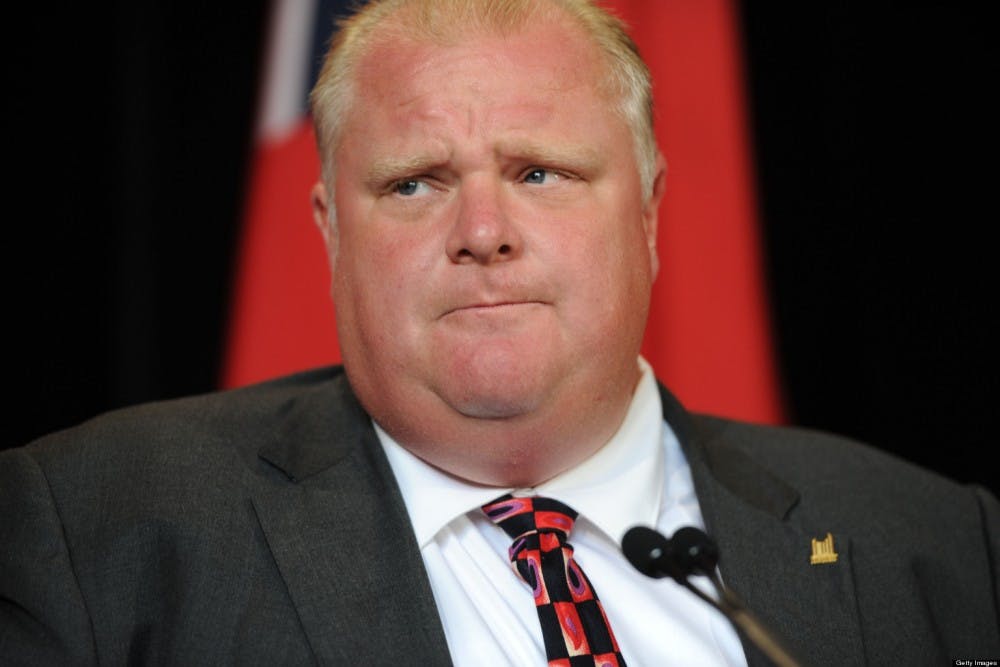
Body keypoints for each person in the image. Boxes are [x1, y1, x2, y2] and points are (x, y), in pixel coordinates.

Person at [2, 0, 997, 664]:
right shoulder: (94, 534)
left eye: (537, 173)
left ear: (648, 213)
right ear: (331, 232)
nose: (481, 233)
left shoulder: (936, 546)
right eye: (415, 182)